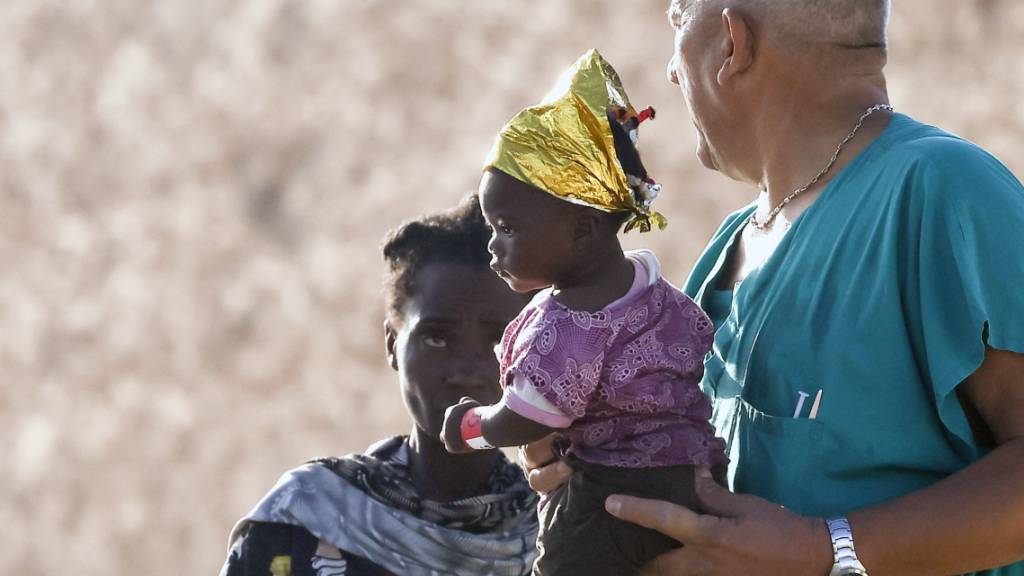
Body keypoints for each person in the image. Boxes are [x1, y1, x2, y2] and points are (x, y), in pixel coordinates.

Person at [526, 1, 1024, 575]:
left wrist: (826, 551)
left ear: (733, 44)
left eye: (678, 23)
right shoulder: (731, 244)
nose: (668, 70)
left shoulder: (943, 188)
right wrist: (597, 456)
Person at [439, 50, 728, 576]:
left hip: (618, 492)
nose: (493, 247)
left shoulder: (565, 327)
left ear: (582, 228)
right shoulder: (657, 294)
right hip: (698, 476)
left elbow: (527, 418)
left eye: (506, 227)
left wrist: (471, 426)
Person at [219, 196, 540, 576]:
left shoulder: (560, 533)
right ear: (392, 344)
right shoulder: (303, 518)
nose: (466, 371)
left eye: (499, 342)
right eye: (437, 339)